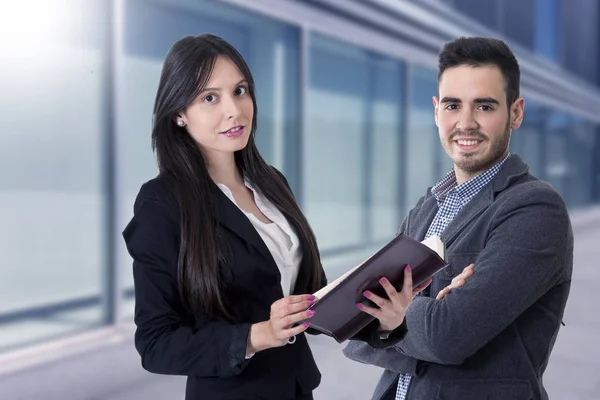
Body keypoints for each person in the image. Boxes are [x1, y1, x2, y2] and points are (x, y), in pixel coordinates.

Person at [122, 33, 428, 400]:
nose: (234, 110)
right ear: (179, 114)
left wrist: (385, 319)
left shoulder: (271, 182)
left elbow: (311, 302)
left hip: (297, 389)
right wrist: (259, 334)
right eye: (209, 98)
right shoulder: (162, 203)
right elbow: (156, 344)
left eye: (240, 90)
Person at [343, 36, 574, 400]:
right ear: (436, 111)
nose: (465, 123)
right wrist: (422, 314)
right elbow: (354, 336)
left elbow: (447, 337)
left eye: (484, 106)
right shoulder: (426, 208)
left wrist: (397, 317)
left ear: (515, 112)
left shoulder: (535, 209)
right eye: (453, 105)